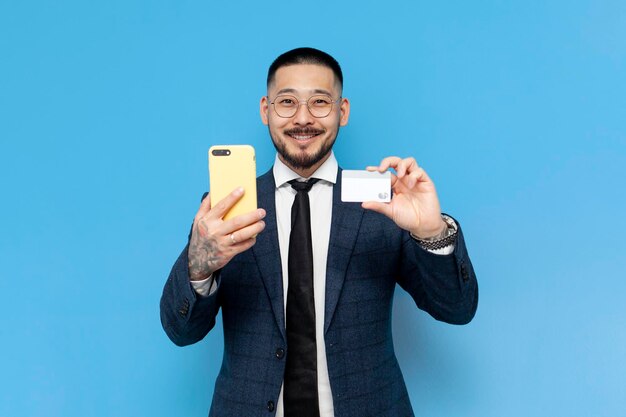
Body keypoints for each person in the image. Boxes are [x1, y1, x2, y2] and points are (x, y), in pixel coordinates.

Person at [160, 47, 478, 417]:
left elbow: (457, 309)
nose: (303, 118)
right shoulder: (224, 210)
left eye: (320, 103)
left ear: (342, 112)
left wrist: (432, 232)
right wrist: (200, 267)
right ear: (266, 110)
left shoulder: (385, 204)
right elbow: (180, 330)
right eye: (287, 102)